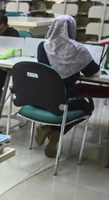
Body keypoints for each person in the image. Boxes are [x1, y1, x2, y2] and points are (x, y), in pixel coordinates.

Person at [36, 15, 99, 158]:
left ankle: (48, 127)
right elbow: (94, 72)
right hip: (66, 98)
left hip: (42, 98)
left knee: (60, 104)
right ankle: (55, 131)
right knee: (87, 107)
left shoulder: (43, 46)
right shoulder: (79, 50)